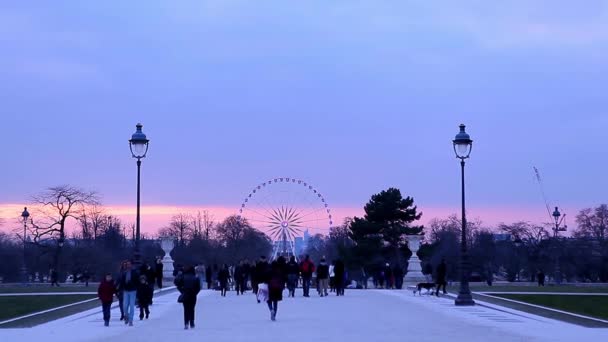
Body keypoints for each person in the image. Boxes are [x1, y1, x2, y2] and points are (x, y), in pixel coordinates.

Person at [174, 265, 201, 330]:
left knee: (186, 309)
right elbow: (198, 287)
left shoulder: (183, 277)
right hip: (193, 295)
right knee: (192, 309)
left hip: (185, 293)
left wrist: (182, 291)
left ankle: (186, 323)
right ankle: (192, 322)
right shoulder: (195, 277)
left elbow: (178, 285)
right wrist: (195, 293)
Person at [119, 260, 139, 326]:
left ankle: (131, 320)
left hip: (133, 290)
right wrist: (120, 289)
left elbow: (137, 281)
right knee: (125, 306)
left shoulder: (135, 272)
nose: (128, 265)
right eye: (127, 264)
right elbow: (121, 281)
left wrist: (135, 286)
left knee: (132, 306)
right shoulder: (124, 272)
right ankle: (126, 316)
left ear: (132, 265)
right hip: (126, 291)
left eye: (129, 264)